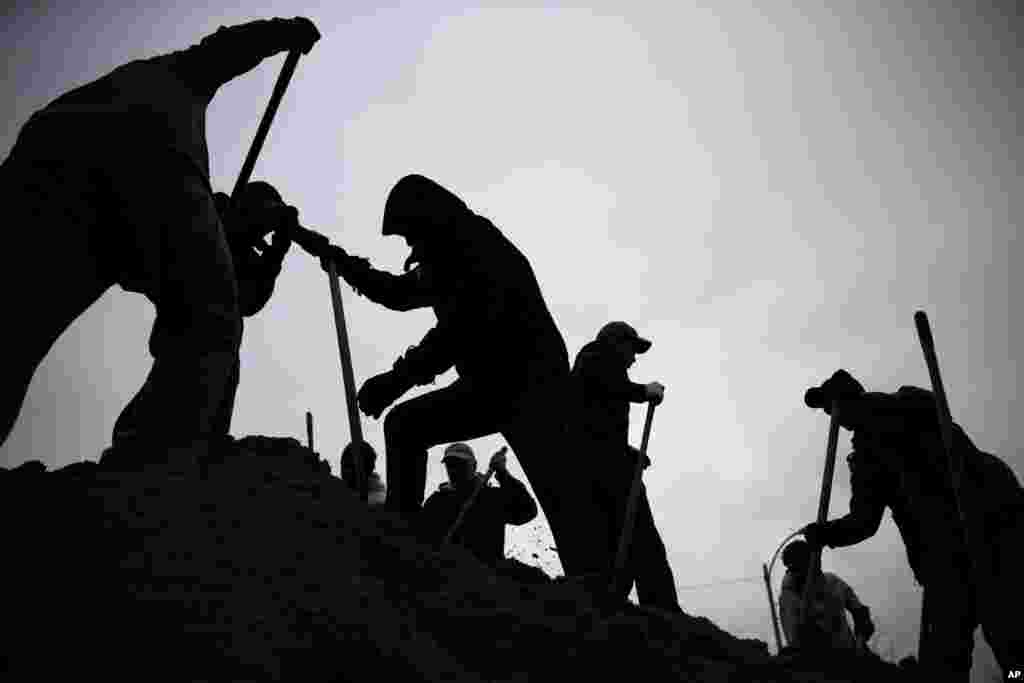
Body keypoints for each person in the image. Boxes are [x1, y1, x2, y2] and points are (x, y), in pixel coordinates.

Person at [0, 17, 321, 467]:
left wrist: (277, 253)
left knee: (13, 324)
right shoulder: (179, 118)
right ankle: (156, 450)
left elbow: (245, 297)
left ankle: (160, 444)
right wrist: (282, 32)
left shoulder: (214, 227)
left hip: (50, 150)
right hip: (143, 144)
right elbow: (224, 306)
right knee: (210, 316)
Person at [289, 174, 607, 575]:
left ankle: (596, 592)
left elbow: (460, 331)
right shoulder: (443, 261)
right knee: (405, 426)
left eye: (410, 236)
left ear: (430, 223)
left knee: (562, 497)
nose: (410, 247)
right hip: (488, 386)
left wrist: (395, 380)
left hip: (533, 388)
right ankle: (400, 542)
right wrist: (321, 248)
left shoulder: (480, 251)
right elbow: (395, 293)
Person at [800, 369, 1024, 681]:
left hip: (952, 559)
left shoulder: (871, 448)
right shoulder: (919, 410)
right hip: (1003, 536)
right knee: (1013, 648)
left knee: (946, 660)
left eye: (830, 409)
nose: (832, 418)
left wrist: (823, 533)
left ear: (845, 405)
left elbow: (864, 522)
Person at [108, 180, 295, 455]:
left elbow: (249, 301)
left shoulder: (247, 253)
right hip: (188, 328)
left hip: (221, 343)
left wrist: (276, 253)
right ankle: (135, 438)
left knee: (214, 397)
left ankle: (201, 444)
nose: (261, 234)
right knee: (173, 389)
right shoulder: (212, 213)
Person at [569, 321, 680, 612]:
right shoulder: (595, 358)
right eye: (632, 350)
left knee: (623, 542)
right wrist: (645, 391)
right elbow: (608, 386)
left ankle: (611, 602)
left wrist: (629, 454)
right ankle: (661, 610)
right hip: (605, 471)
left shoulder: (597, 366)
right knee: (642, 540)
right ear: (616, 342)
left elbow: (596, 429)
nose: (634, 359)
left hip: (605, 464)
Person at [419, 442, 538, 566]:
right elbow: (422, 537)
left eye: (461, 464)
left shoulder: (491, 498)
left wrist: (503, 474)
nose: (454, 469)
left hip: (486, 577)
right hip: (447, 574)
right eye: (450, 465)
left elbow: (528, 510)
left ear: (474, 465)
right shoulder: (437, 502)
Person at [777, 539, 874, 654]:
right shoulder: (789, 598)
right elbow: (796, 639)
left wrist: (860, 640)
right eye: (795, 568)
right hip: (819, 662)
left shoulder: (832, 582)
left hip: (850, 651)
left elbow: (860, 612)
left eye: (809, 563)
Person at [340, 441, 386, 506]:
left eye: (347, 466)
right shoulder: (378, 495)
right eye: (343, 465)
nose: (342, 472)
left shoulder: (373, 501)